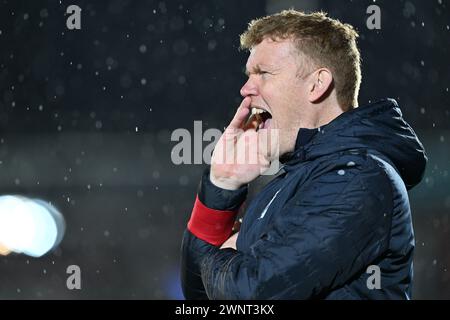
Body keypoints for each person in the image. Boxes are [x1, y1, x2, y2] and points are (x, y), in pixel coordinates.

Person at [180, 10, 427, 300]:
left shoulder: (359, 177)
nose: (246, 88)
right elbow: (201, 299)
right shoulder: (295, 178)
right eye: (249, 75)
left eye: (263, 73)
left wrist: (219, 256)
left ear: (317, 84)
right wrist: (222, 184)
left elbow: (250, 294)